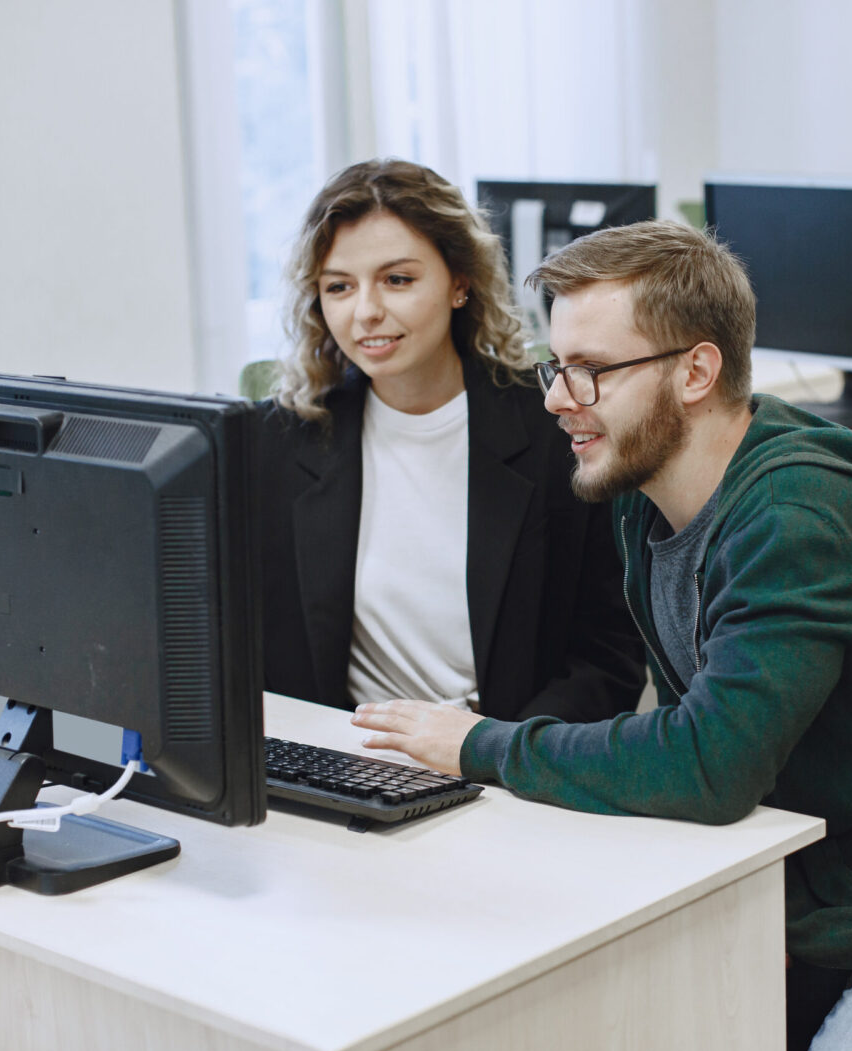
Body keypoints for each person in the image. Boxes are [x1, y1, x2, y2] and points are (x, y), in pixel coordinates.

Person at [349, 220, 852, 1051]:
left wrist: (485, 745)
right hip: (828, 898)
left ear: (697, 372)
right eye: (558, 366)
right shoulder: (646, 493)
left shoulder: (796, 519)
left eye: (592, 370)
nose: (558, 397)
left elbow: (710, 765)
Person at [256, 159, 644, 726]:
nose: (366, 311)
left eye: (398, 280)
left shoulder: (556, 430)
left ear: (459, 282)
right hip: (348, 765)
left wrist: (494, 753)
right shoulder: (280, 443)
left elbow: (610, 656)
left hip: (510, 766)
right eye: (339, 286)